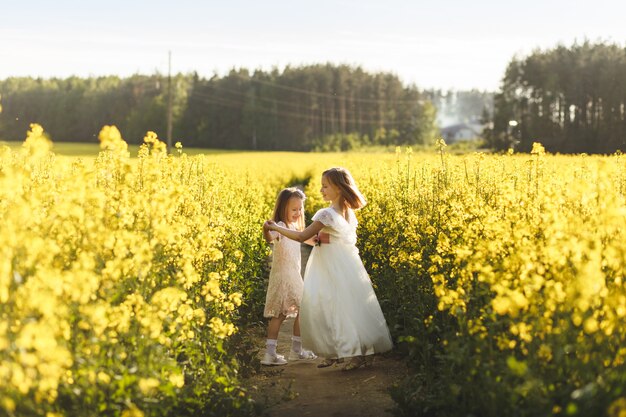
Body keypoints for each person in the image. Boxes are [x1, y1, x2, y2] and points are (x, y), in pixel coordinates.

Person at [265, 167, 393, 371]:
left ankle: (352, 353)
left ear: (339, 189)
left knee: (326, 304)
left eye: (325, 186)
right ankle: (337, 352)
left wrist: (275, 227)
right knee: (343, 304)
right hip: (345, 263)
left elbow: (300, 237)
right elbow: (324, 238)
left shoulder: (326, 213)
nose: (321, 190)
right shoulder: (349, 214)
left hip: (328, 265)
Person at [261, 187, 318, 366]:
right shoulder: (281, 226)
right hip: (286, 277)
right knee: (295, 312)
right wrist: (266, 229)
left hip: (288, 276)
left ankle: (274, 353)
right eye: (294, 209)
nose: (298, 212)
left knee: (281, 315)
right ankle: (294, 350)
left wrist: (331, 240)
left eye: (300, 209)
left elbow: (311, 240)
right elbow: (270, 237)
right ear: (283, 207)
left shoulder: (294, 228)